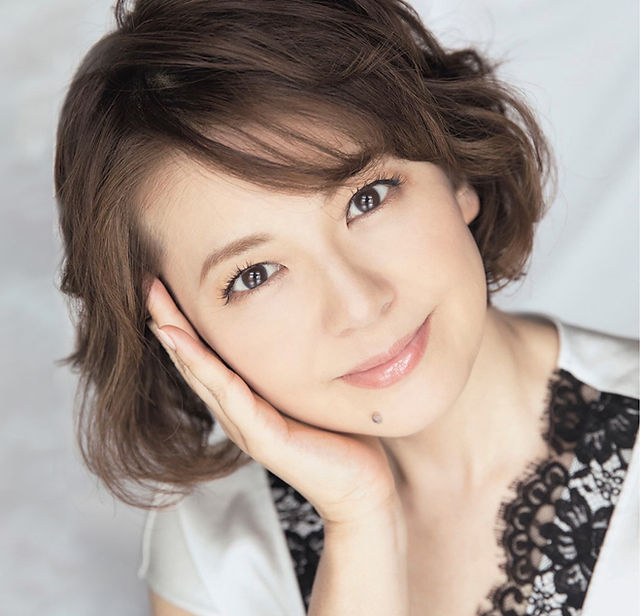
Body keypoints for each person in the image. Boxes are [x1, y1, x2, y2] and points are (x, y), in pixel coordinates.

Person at [54, 0, 639, 614]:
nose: (359, 306)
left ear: (454, 170)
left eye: (368, 198)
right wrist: (359, 515)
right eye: (256, 275)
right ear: (176, 326)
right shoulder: (217, 545)